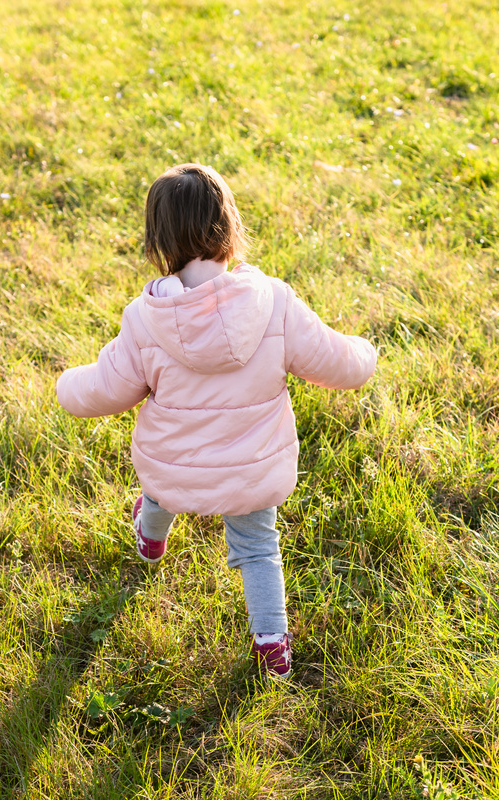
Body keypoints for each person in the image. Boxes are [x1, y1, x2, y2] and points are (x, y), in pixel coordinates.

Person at [55, 163, 377, 679]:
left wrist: (66, 384)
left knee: (160, 490)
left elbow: (107, 387)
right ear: (228, 225)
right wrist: (365, 352)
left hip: (176, 464)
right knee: (257, 549)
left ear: (159, 239)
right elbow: (334, 359)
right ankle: (272, 644)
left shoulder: (146, 319)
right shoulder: (274, 302)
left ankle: (150, 536)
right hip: (250, 469)